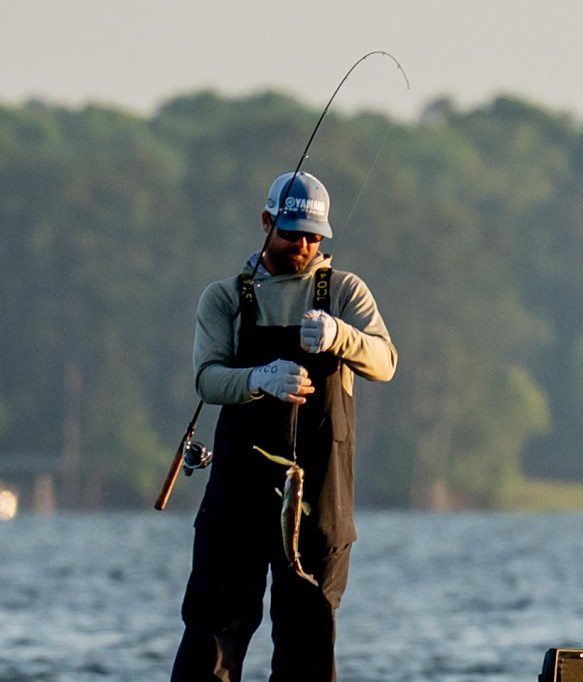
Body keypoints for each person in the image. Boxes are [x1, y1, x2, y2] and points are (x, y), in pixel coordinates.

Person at [171, 170, 397, 681]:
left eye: (314, 236)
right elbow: (207, 379)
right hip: (237, 500)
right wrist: (258, 379)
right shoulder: (225, 298)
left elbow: (385, 362)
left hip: (319, 502)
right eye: (292, 233)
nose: (303, 246)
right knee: (212, 635)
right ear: (266, 222)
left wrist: (341, 336)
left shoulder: (345, 292)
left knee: (307, 642)